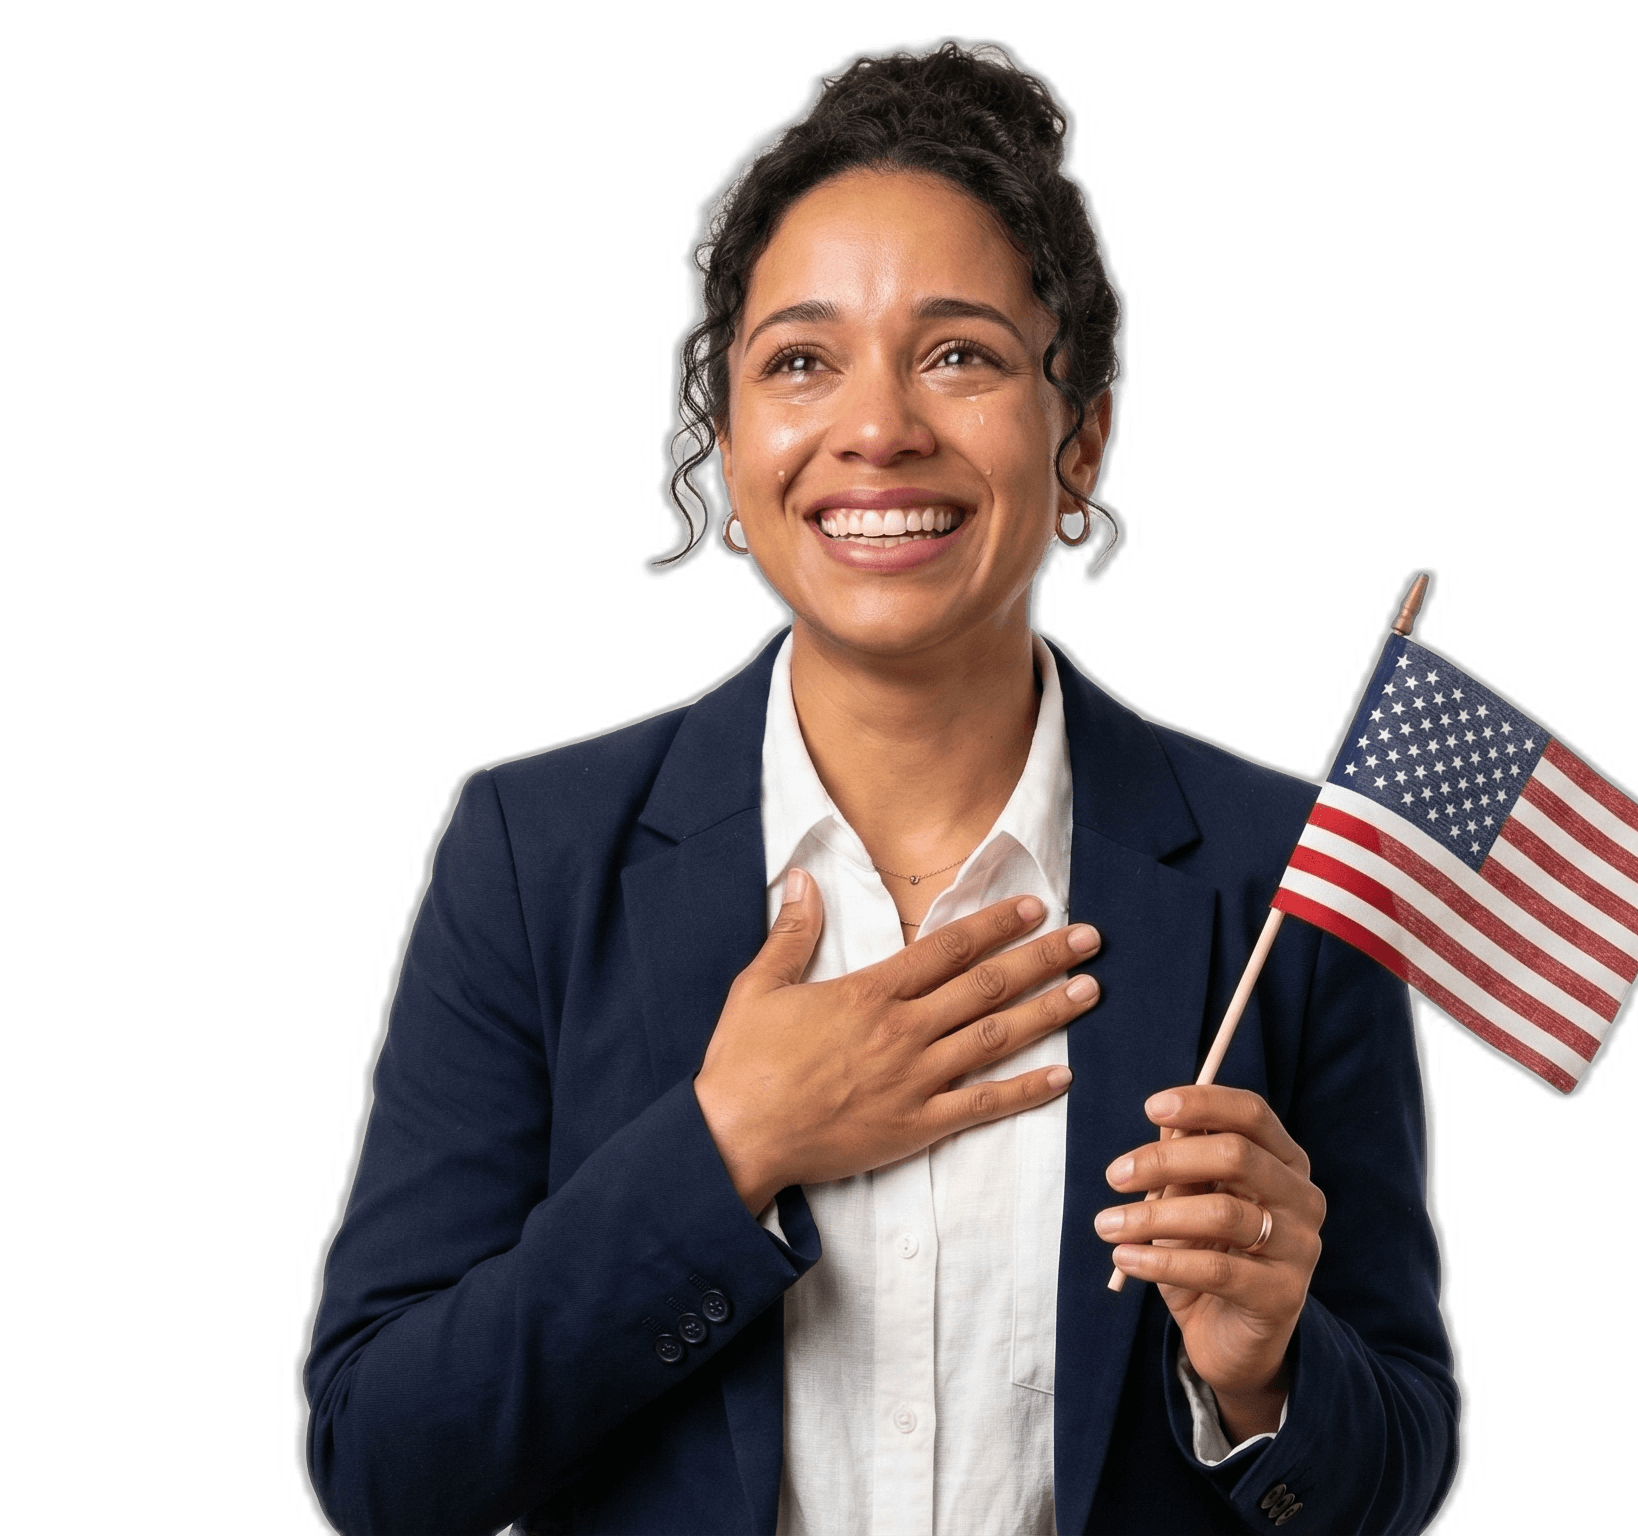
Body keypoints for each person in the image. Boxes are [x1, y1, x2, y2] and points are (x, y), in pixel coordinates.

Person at [292, 39, 1461, 1536]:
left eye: (960, 353)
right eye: (800, 360)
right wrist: (726, 1149)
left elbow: (1401, 1460)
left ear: (1082, 433)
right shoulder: (532, 855)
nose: (879, 427)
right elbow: (385, 1460)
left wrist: (1262, 1379)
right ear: (727, 436)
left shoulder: (1279, 874)